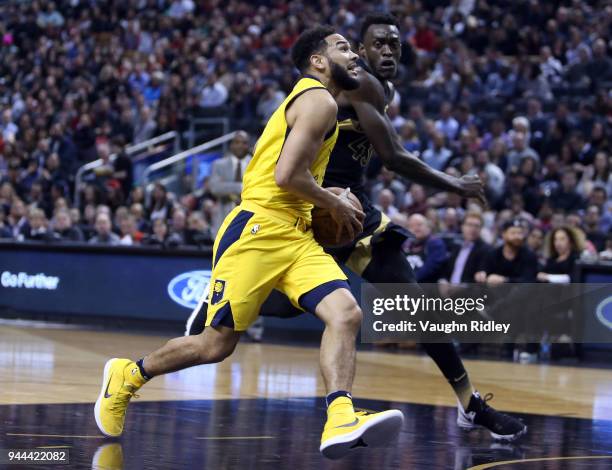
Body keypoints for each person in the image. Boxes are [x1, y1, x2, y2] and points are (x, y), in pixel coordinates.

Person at [188, 13, 526, 441]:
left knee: (416, 307)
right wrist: (454, 183)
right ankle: (217, 304)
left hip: (352, 212)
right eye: (377, 44)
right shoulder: (359, 82)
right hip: (315, 209)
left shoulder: (380, 89)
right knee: (292, 306)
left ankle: (470, 404)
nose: (387, 51)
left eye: (395, 45)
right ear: (359, 53)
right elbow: (394, 156)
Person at [95, 26, 404, 459]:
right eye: (343, 48)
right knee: (213, 345)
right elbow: (286, 177)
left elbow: (296, 178)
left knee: (346, 313)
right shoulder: (317, 99)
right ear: (318, 61)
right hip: (258, 230)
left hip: (294, 232)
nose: (354, 55)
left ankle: (340, 416)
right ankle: (128, 375)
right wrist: (331, 202)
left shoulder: (323, 103)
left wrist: (325, 197)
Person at [208, 131, 252, 236]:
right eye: (237, 142)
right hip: (223, 217)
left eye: (244, 143)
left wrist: (226, 186)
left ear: (248, 145)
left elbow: (258, 189)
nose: (240, 145)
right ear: (231, 145)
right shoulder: (218, 164)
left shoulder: (256, 164)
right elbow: (215, 188)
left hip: (249, 219)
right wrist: (240, 187)